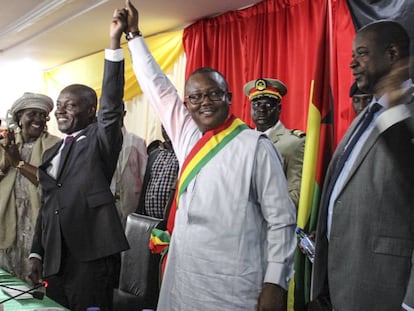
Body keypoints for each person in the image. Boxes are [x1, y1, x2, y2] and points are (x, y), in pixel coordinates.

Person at [124, 1, 296, 310]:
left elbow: (281, 221)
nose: (205, 102)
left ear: (229, 98)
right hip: (183, 280)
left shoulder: (256, 147)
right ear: (187, 104)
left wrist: (275, 282)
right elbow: (158, 89)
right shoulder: (189, 137)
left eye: (214, 93)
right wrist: (134, 36)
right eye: (195, 96)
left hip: (231, 286)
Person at [28, 9, 129, 311]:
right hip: (57, 258)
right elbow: (48, 207)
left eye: (70, 106)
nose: (60, 111)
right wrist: (36, 253)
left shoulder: (101, 138)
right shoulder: (52, 153)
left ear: (90, 111)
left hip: (92, 255)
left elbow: (112, 103)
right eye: (59, 105)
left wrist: (114, 43)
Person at [311, 20, 414, 311]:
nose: (352, 63)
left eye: (363, 53)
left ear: (392, 53)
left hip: (385, 290)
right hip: (341, 283)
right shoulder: (366, 114)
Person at [0, 93, 60, 282]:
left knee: (33, 279)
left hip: (36, 221)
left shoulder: (54, 146)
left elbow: (51, 184)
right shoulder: (4, 144)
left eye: (43, 115)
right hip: (9, 218)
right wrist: (7, 162)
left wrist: (18, 162)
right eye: (32, 114)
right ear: (19, 117)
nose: (38, 120)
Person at [244, 78, 305, 208]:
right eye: (256, 104)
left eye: (268, 104)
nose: (261, 109)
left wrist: (260, 212)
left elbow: (296, 194)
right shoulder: (243, 141)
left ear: (279, 108)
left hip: (271, 220)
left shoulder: (294, 143)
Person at [110, 110, 147, 227]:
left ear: (124, 113)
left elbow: (143, 173)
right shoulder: (100, 141)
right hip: (108, 203)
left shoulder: (138, 141)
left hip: (131, 202)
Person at [136, 125, 179, 219]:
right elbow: (145, 186)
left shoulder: (182, 155)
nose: (166, 129)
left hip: (170, 224)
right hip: (148, 220)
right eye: (163, 126)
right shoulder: (154, 154)